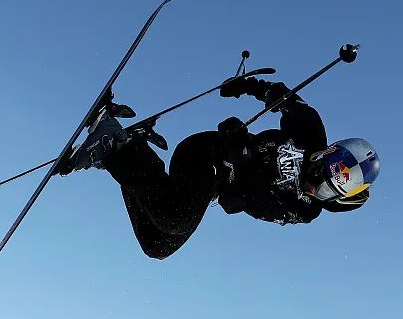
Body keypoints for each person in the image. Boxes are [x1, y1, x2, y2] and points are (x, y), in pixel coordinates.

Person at [59, 49, 380, 259]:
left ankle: (130, 149)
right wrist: (246, 85)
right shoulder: (310, 132)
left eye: (327, 187)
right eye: (329, 164)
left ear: (333, 201)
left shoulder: (303, 209)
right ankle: (116, 147)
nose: (316, 178)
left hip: (219, 179)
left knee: (157, 245)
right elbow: (283, 98)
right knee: (175, 217)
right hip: (206, 152)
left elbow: (253, 202)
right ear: (330, 149)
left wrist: (241, 161)